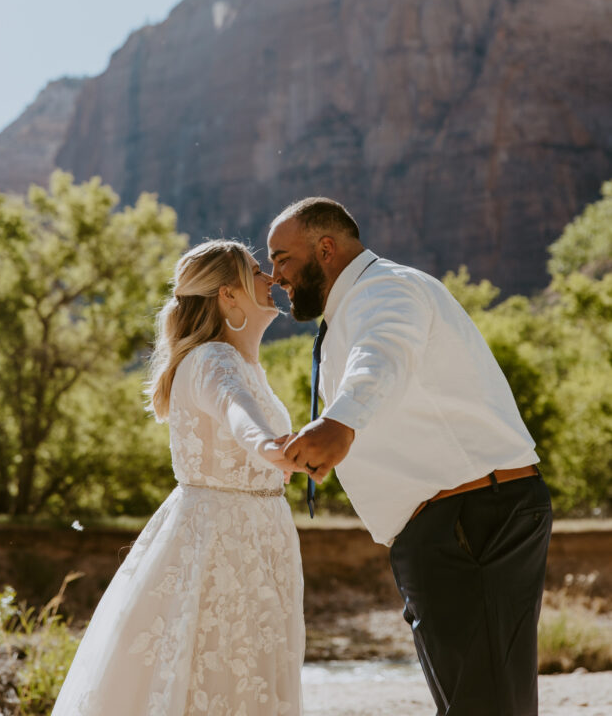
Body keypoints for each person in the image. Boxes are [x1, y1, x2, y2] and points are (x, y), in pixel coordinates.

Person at [267, 198, 552, 716]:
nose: (274, 275)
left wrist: (340, 422)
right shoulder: (354, 307)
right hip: (451, 524)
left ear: (325, 248)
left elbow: (383, 353)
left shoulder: (385, 289)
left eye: (282, 258)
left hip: (471, 520)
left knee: (484, 705)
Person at [51, 240, 304, 716]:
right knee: (218, 674)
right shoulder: (213, 360)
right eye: (256, 271)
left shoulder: (245, 364)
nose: (271, 279)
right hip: (223, 544)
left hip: (256, 536)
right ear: (228, 295)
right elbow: (237, 414)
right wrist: (270, 449)